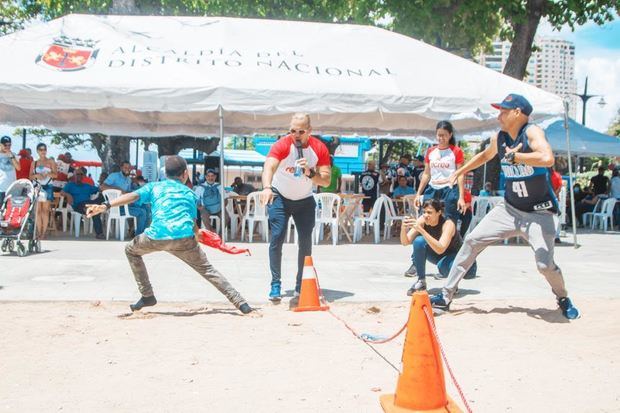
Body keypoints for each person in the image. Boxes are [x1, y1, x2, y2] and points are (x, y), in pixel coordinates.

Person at [429, 93, 579, 320]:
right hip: (509, 209)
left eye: (503, 111)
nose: (499, 115)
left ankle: (562, 297)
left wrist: (518, 157)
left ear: (518, 113)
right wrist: (459, 171)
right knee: (471, 240)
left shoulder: (532, 132)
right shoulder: (499, 137)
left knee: (544, 265)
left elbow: (547, 158)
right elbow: (484, 155)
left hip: (539, 213)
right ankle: (446, 295)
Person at [85, 155, 254, 315]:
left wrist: (106, 205)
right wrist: (198, 235)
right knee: (207, 270)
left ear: (165, 174)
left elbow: (132, 196)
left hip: (156, 236)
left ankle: (147, 295)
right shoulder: (190, 193)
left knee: (131, 250)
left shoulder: (154, 186)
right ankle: (241, 303)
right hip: (184, 238)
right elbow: (192, 222)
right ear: (185, 174)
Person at [260, 113, 331, 302]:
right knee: (277, 237)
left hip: (304, 200)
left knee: (305, 242)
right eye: (292, 131)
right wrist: (266, 187)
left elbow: (325, 181)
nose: (296, 135)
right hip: (280, 196)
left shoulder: (319, 149)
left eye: (301, 131)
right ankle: (275, 283)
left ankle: (301, 284)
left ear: (309, 131)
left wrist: (310, 172)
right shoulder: (283, 144)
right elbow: (268, 167)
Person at [401, 199, 477, 293]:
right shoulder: (422, 220)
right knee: (418, 242)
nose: (425, 215)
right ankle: (421, 281)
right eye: (424, 212)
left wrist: (422, 231)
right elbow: (405, 242)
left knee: (443, 266)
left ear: (439, 213)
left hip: (466, 264)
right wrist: (403, 228)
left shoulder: (448, 224)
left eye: (429, 212)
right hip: (443, 257)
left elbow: (441, 248)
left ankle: (452, 284)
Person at [414, 121, 466, 222]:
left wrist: (461, 197)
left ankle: (448, 237)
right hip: (432, 188)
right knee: (427, 218)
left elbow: (460, 175)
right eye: (439, 135)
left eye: (444, 135)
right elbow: (426, 174)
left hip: (449, 189)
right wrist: (418, 193)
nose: (441, 138)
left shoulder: (456, 151)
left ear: (450, 135)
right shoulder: (430, 151)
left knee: (449, 220)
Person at [101, 160, 147, 236]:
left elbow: (127, 192)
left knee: (146, 206)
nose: (127, 169)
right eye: (125, 167)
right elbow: (102, 187)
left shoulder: (128, 179)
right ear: (121, 168)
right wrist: (117, 189)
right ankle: (139, 236)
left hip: (126, 204)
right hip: (117, 207)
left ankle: (137, 231)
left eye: (129, 168)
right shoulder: (114, 176)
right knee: (142, 212)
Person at [60, 168, 105, 239]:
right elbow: (62, 192)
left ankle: (99, 233)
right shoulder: (70, 185)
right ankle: (99, 233)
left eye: (81, 174)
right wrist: (68, 195)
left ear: (83, 176)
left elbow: (99, 189)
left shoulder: (87, 186)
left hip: (89, 203)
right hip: (78, 205)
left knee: (99, 200)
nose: (79, 176)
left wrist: (105, 186)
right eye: (78, 174)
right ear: (74, 175)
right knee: (94, 210)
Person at [29, 143, 58, 239]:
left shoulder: (51, 162)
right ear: (37, 151)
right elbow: (30, 176)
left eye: (44, 149)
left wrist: (48, 173)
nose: (43, 151)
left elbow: (56, 175)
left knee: (45, 211)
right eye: (41, 149)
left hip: (48, 186)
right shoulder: (34, 163)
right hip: (37, 186)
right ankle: (38, 231)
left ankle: (43, 233)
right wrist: (37, 175)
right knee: (38, 211)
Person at [0, 136, 21, 206]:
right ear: (0, 144)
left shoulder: (14, 155)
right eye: (5, 145)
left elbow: (18, 168)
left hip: (12, 188)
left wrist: (11, 156)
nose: (7, 146)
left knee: (10, 212)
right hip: (1, 187)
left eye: (9, 145)